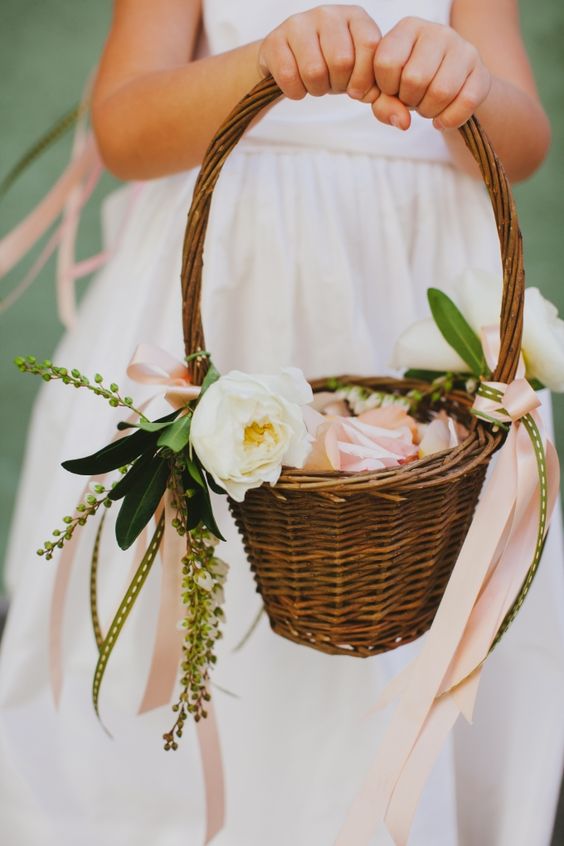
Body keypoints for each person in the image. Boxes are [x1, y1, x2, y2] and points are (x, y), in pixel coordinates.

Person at [1, 2, 563, 844]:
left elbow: (520, 147)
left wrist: (467, 84)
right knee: (201, 607)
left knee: (409, 591)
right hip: (230, 281)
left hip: (411, 297)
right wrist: (262, 60)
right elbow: (124, 127)